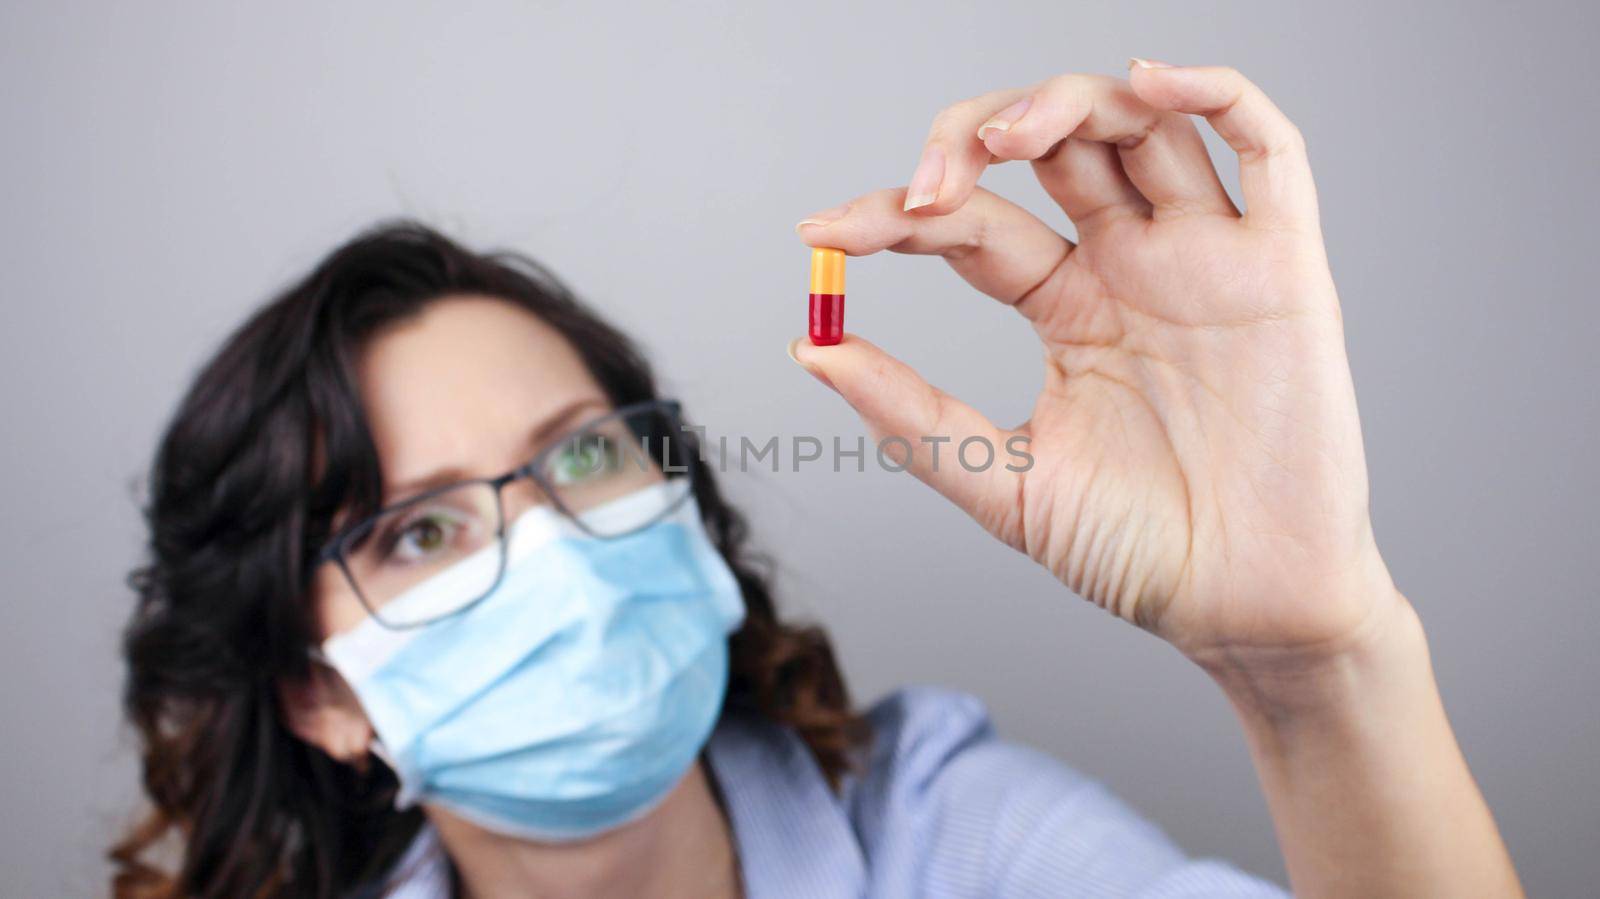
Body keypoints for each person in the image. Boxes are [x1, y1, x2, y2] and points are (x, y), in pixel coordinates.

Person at [111, 62, 1523, 898]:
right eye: (418, 530)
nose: (556, 550)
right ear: (315, 691)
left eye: (586, 454)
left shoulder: (950, 835)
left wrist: (1314, 664)